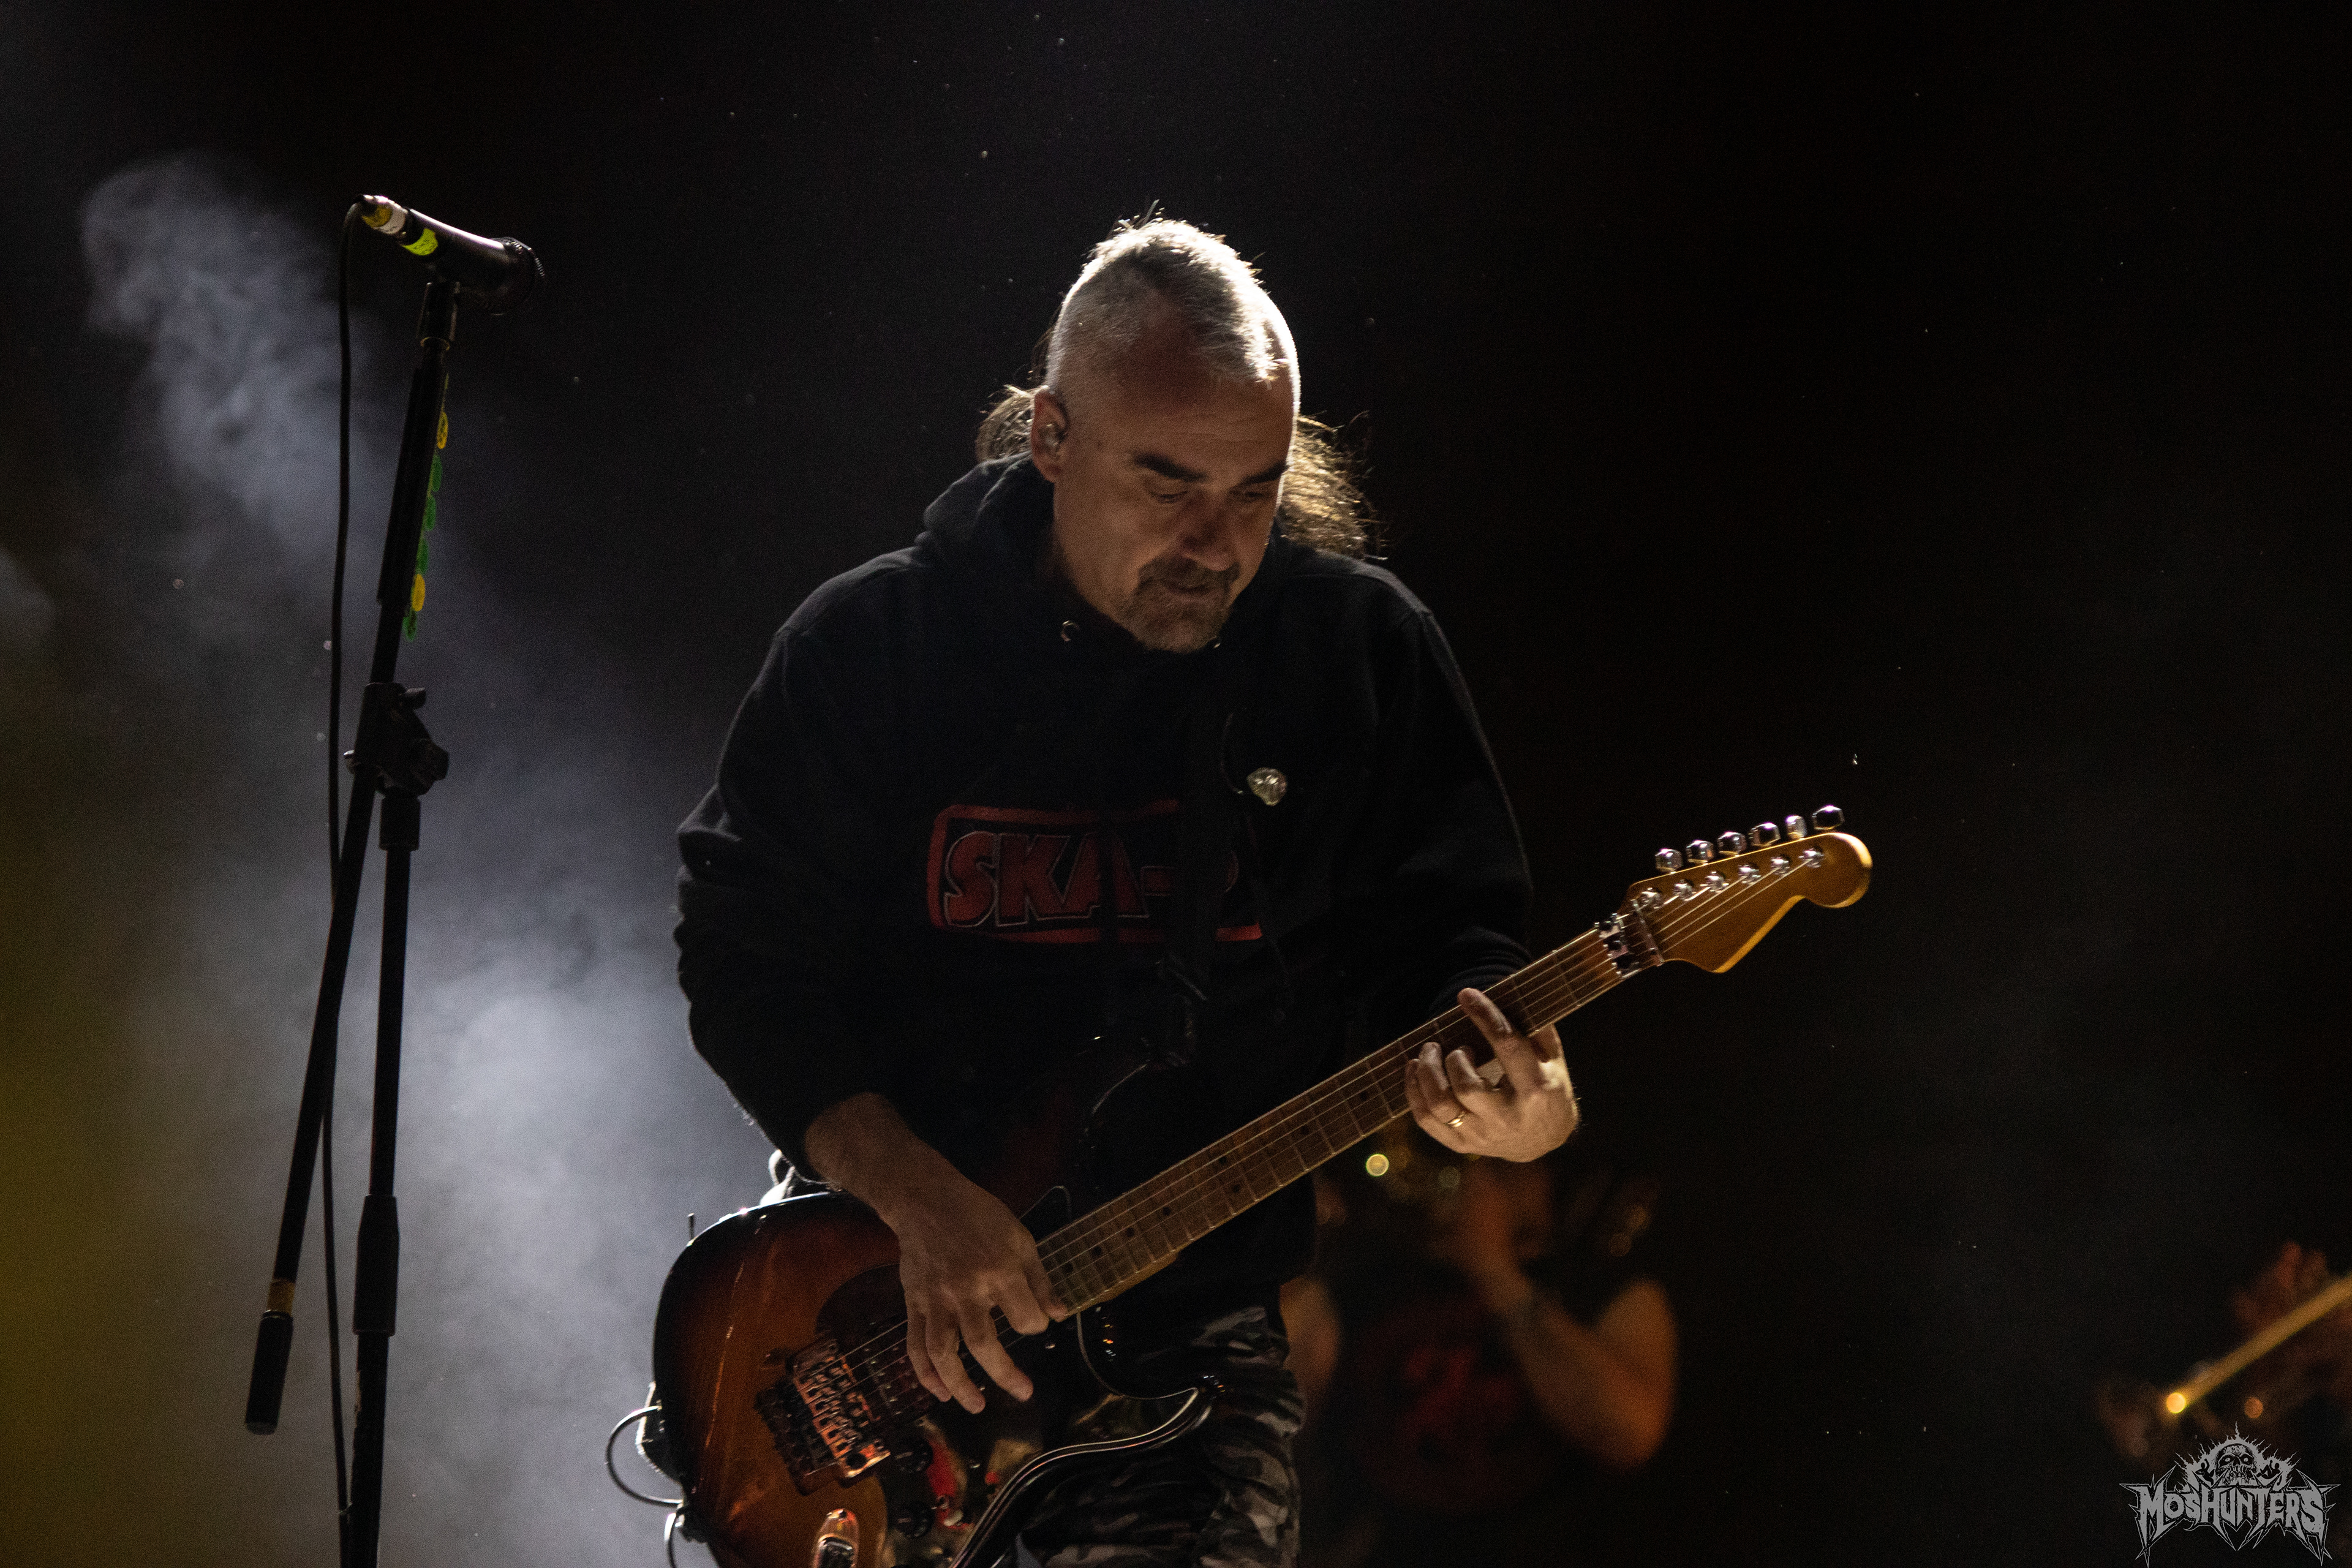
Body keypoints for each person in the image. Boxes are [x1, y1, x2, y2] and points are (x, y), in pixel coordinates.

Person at [674, 217, 1580, 1568]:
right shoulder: (876, 646)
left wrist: (1521, 1107)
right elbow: (743, 957)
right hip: (883, 1306)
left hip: (1187, 1352)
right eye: (1169, 484)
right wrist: (919, 1197)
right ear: (1051, 435)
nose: (1217, 543)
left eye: (1257, 490)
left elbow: (1451, 949)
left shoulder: (1356, 654)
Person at [1288, 1137, 1676, 1567]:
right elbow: (1290, 1381)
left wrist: (1493, 1269)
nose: (1475, 1176)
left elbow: (1628, 1432)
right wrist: (1292, 1254)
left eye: (1504, 1167)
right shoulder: (1381, 1264)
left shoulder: (1607, 1288)